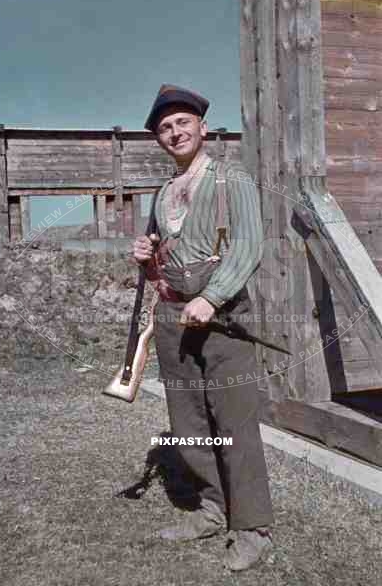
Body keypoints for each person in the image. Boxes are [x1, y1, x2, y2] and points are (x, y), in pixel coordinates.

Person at [133, 84, 274, 571]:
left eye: (182, 122)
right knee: (188, 423)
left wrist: (211, 298)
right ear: (159, 139)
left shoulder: (232, 179)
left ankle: (252, 527)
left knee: (233, 424)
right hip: (173, 319)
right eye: (165, 127)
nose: (174, 132)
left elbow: (249, 246)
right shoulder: (161, 193)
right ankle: (213, 509)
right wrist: (147, 260)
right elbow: (161, 270)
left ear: (202, 128)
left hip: (224, 319)